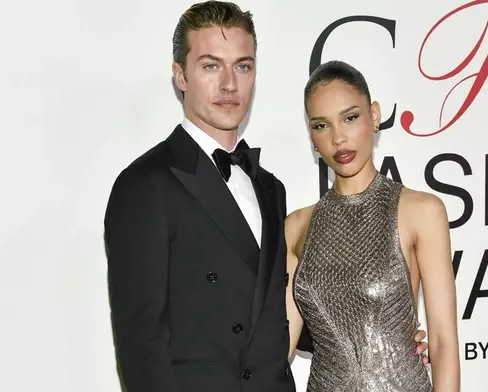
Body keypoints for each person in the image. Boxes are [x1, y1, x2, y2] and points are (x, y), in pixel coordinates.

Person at [104, 2, 430, 391]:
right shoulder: (145, 185)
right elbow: (141, 351)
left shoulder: (269, 188)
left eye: (242, 66)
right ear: (180, 76)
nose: (229, 84)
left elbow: (274, 317)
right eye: (211, 66)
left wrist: (378, 340)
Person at [285, 60, 460, 392]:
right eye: (322, 125)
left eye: (350, 118)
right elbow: (279, 346)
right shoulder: (296, 226)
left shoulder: (421, 211)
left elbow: (443, 342)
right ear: (311, 135)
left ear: (375, 116)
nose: (339, 138)